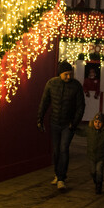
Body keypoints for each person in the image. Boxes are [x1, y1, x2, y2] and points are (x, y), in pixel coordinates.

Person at [37, 61, 86, 190]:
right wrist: (39, 119)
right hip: (54, 122)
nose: (68, 77)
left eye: (70, 74)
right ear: (60, 74)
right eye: (66, 74)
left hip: (68, 124)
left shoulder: (76, 86)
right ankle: (57, 174)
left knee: (64, 148)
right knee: (56, 150)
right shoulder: (51, 84)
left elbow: (81, 106)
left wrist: (74, 123)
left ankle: (61, 178)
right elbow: (45, 102)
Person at [79, 112, 104, 194]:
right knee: (93, 171)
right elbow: (81, 133)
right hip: (91, 155)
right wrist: (73, 128)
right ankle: (96, 181)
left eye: (99, 122)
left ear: (103, 123)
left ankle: (99, 186)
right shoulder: (90, 130)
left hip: (101, 156)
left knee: (99, 171)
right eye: (96, 122)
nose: (97, 124)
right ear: (93, 122)